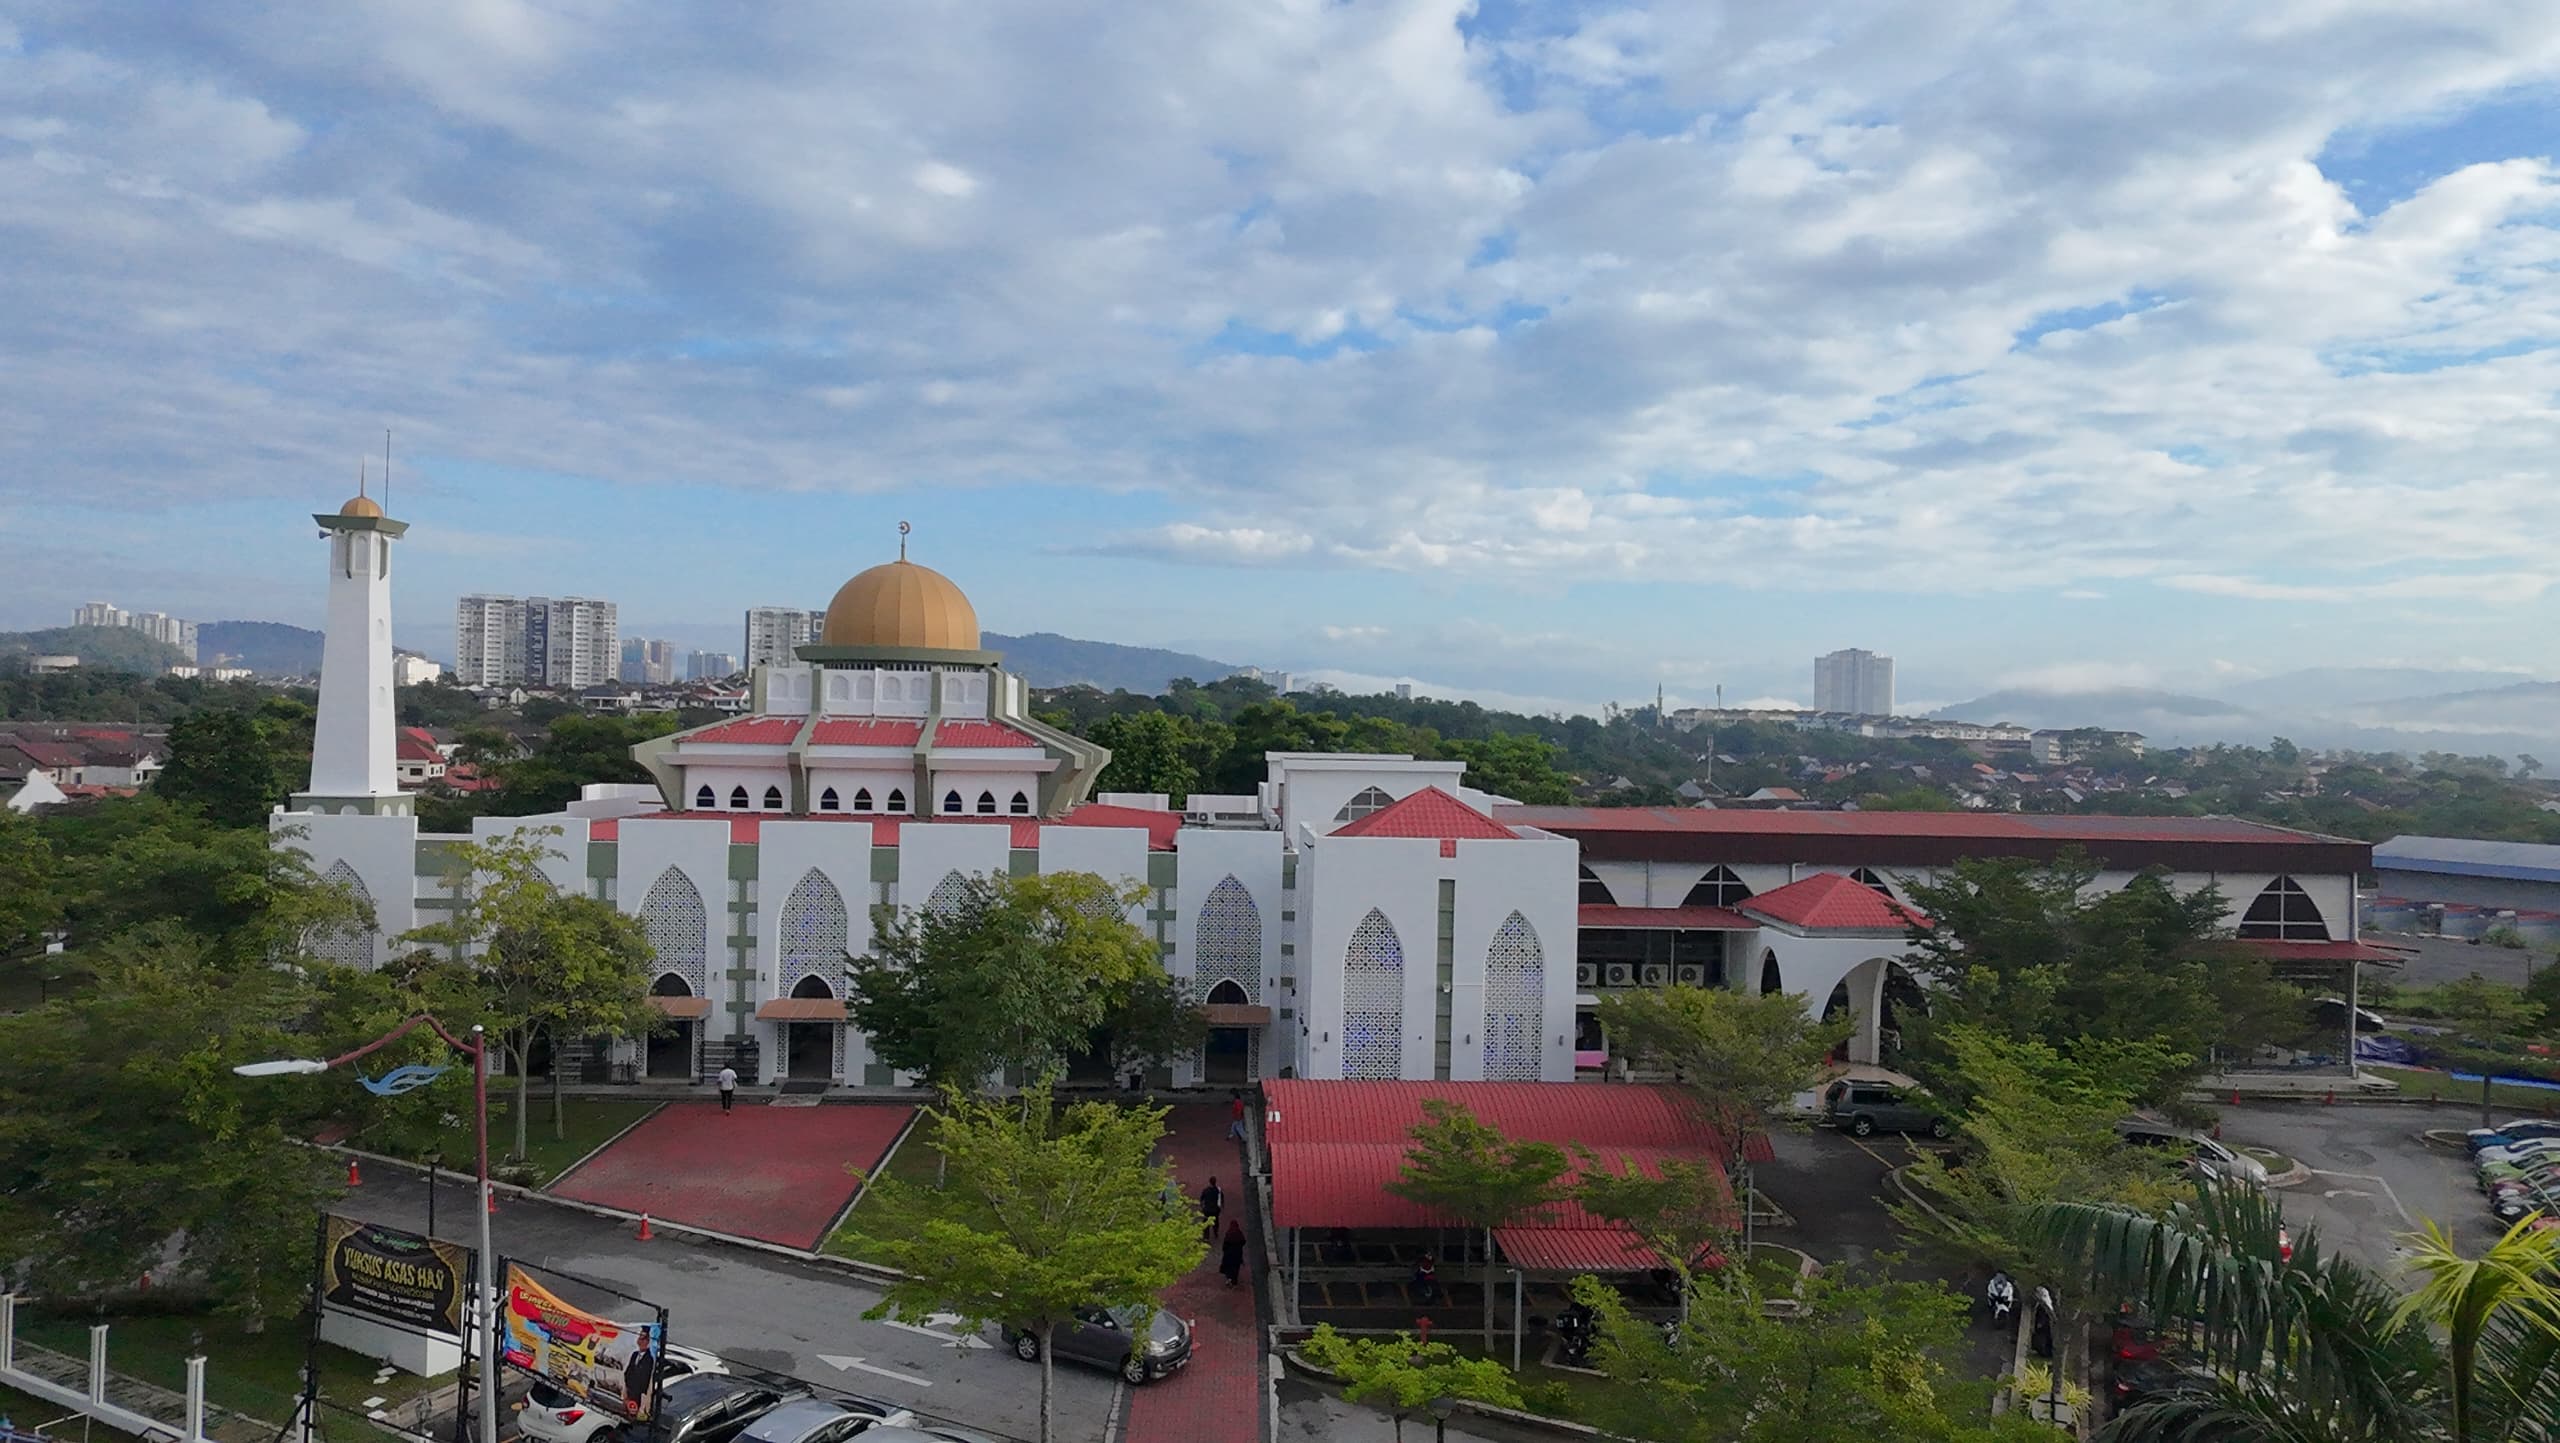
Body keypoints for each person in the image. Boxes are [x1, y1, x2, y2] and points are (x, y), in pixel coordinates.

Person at [1219, 1219, 1248, 1287]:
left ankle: (1229, 1278)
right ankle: (1234, 1280)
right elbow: (1243, 1241)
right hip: (1237, 1254)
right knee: (1236, 1267)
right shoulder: (1239, 1233)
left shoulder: (1229, 1233)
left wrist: (1225, 1250)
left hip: (1229, 1254)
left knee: (1229, 1267)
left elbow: (1225, 1244)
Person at [1197, 1175, 1223, 1242]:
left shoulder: (1205, 1190)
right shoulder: (1218, 1190)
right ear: (1215, 1182)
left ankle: (1206, 1237)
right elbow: (1221, 1199)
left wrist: (1202, 1206)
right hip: (1215, 1210)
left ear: (1210, 1182)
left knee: (1206, 1223)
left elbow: (1201, 1199)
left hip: (1207, 1210)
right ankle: (1215, 1232)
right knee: (1216, 1221)